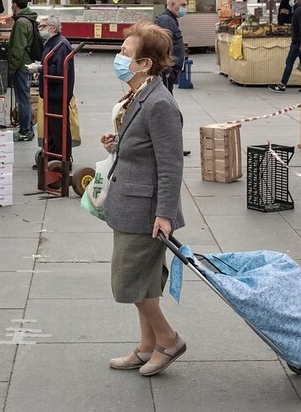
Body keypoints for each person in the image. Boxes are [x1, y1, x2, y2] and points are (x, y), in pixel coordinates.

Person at [100, 21, 186, 377]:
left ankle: (169, 340)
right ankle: (146, 346)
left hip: (146, 209)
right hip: (131, 201)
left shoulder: (160, 103)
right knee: (145, 281)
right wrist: (117, 145)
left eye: (125, 52)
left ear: (144, 64)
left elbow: (171, 164)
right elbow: (145, 148)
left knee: (129, 280)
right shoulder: (141, 93)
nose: (119, 57)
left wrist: (164, 213)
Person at [38, 15, 74, 160]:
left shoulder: (61, 45)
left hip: (57, 95)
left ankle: (62, 160)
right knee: (51, 129)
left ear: (52, 28)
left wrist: (40, 70)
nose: (40, 29)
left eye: (42, 26)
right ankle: (51, 156)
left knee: (58, 128)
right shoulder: (52, 43)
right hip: (50, 94)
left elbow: (58, 70)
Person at [269, 0, 301, 93]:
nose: (290, 1)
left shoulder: (299, 11)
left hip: (299, 42)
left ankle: (282, 85)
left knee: (289, 62)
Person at [7, 0, 38, 141]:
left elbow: (18, 47)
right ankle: (27, 128)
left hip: (21, 64)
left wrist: (12, 67)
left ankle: (25, 130)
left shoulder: (21, 22)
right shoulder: (29, 19)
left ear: (15, 5)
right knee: (24, 97)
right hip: (26, 62)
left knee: (23, 99)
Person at [154, 0, 187, 94]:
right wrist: (167, 69)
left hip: (169, 71)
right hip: (166, 72)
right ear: (172, 5)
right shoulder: (166, 21)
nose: (185, 8)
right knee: (166, 98)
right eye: (183, 5)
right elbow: (162, 46)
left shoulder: (170, 20)